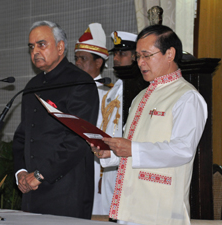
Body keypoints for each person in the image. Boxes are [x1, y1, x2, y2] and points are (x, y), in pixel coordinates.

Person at [92, 24, 207, 225]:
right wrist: (110, 153)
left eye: (146, 55)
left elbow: (183, 150)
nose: (140, 63)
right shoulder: (140, 97)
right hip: (130, 205)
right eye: (138, 56)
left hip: (159, 209)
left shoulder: (187, 97)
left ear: (169, 54)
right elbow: (133, 147)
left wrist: (131, 149)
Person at [12, 20, 99, 219]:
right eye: (31, 47)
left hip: (67, 191)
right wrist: (21, 173)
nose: (35, 51)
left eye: (41, 44)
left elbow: (78, 139)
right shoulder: (32, 86)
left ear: (60, 47)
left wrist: (40, 174)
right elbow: (21, 137)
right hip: (31, 191)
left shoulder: (81, 82)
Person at [98, 31, 137, 215]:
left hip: (129, 163)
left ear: (136, 57)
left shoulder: (139, 89)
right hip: (109, 165)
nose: (116, 59)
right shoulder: (112, 91)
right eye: (115, 54)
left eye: (122, 54)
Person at [74, 22, 110, 215]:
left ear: (98, 63)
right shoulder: (70, 91)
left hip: (101, 162)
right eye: (76, 58)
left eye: (83, 59)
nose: (77, 63)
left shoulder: (110, 93)